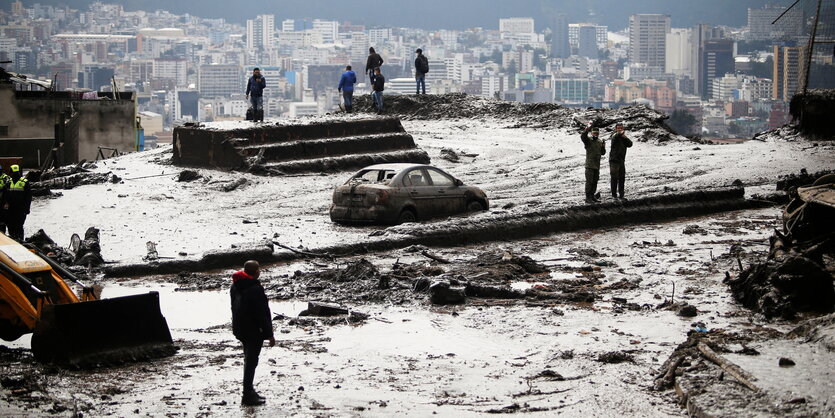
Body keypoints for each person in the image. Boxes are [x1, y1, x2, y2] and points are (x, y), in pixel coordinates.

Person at [230, 260, 275, 406]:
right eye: (259, 270)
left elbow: (234, 307)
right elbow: (262, 313)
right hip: (254, 331)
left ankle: (249, 391)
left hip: (240, 329)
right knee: (251, 361)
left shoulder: (235, 286)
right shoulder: (255, 289)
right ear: (256, 272)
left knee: (248, 359)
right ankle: (247, 394)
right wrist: (269, 334)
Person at [580, 126, 606, 203]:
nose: (595, 134)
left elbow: (603, 153)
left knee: (595, 181)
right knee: (589, 181)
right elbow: (583, 137)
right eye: (594, 133)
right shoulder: (588, 140)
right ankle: (588, 198)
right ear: (591, 133)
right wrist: (586, 130)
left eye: (597, 133)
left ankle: (592, 196)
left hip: (597, 165)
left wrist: (603, 147)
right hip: (589, 165)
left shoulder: (600, 141)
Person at [608, 123, 633, 200]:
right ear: (616, 129)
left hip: (621, 160)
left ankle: (621, 195)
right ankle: (614, 195)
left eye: (621, 128)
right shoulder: (614, 136)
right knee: (614, 178)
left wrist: (625, 137)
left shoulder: (623, 138)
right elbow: (615, 136)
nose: (620, 129)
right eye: (618, 128)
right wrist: (619, 134)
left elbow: (630, 144)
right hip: (614, 160)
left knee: (622, 178)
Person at [0, 165, 10, 235]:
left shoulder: (6, 177)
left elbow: (8, 187)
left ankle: (3, 233)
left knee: (3, 219)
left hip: (3, 199)